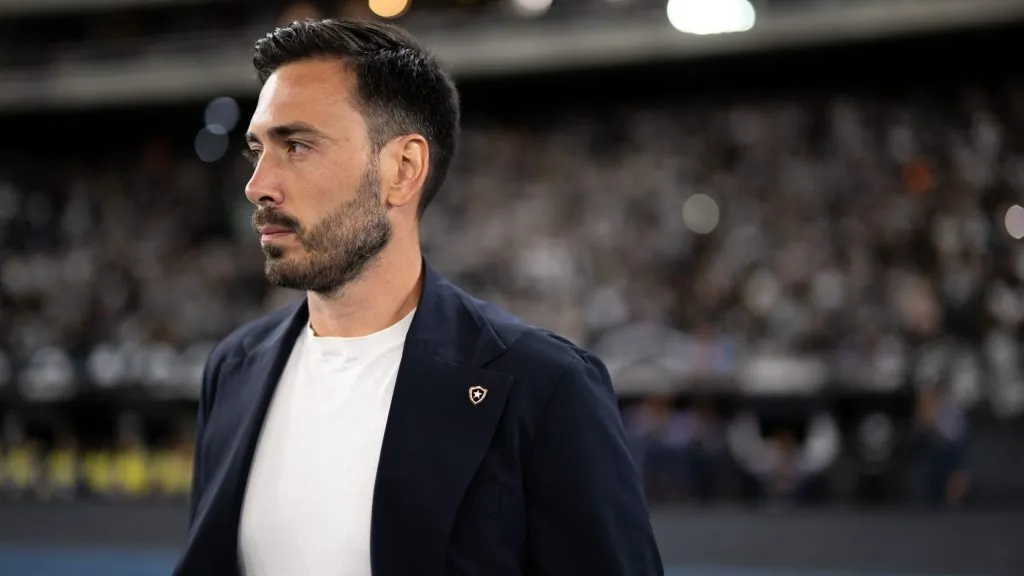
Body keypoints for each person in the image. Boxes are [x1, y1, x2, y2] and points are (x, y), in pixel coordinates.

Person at [173, 18, 663, 576]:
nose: (257, 184)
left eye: (299, 145)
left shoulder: (546, 387)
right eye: (258, 150)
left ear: (402, 170)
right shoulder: (233, 368)